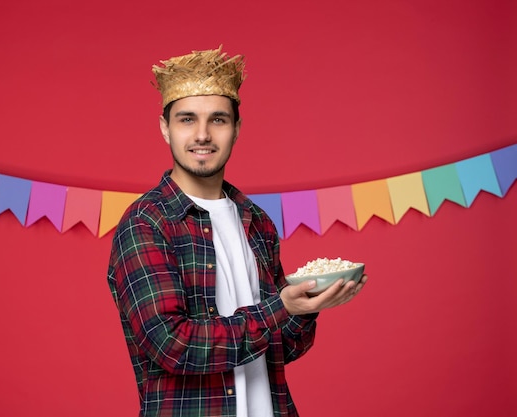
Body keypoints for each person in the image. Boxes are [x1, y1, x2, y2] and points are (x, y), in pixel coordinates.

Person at [107, 46, 367, 417]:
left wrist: (308, 308)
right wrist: (281, 307)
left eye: (217, 119)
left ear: (237, 129)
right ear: (165, 128)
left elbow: (281, 347)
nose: (202, 135)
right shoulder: (146, 222)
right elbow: (171, 345)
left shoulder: (256, 222)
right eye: (186, 120)